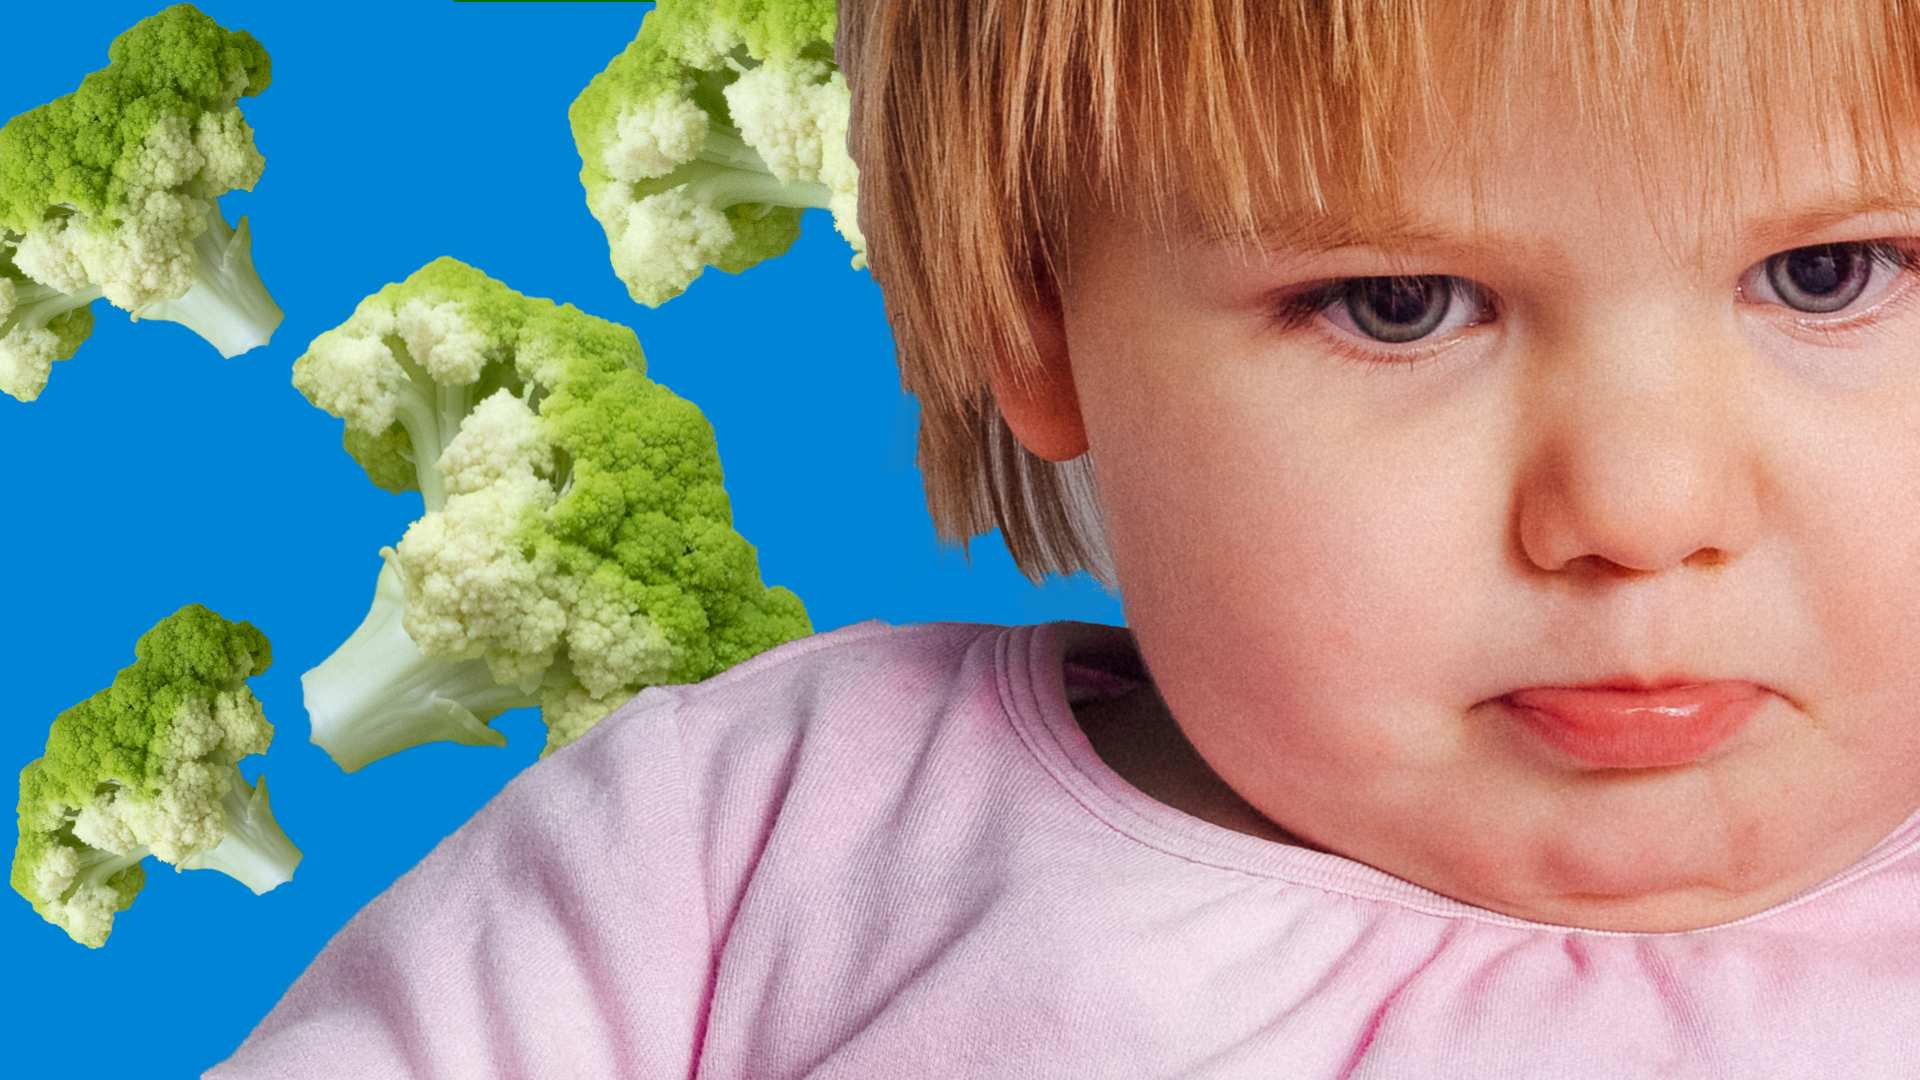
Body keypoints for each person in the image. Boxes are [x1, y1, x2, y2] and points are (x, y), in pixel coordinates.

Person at [207, 1, 1920, 1075]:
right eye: (1401, 305)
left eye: (1831, 273)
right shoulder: (755, 844)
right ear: (1037, 321)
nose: (1639, 512)